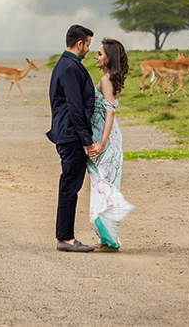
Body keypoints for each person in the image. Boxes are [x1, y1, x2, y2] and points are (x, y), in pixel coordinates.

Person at [47, 24, 98, 252]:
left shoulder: (67, 64)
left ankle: (64, 236)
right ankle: (66, 238)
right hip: (71, 135)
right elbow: (75, 107)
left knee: (69, 183)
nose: (88, 49)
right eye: (88, 45)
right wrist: (87, 140)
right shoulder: (70, 67)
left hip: (68, 133)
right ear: (80, 44)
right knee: (70, 184)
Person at [87, 38, 134, 250]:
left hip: (106, 139)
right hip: (108, 138)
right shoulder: (110, 79)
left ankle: (110, 240)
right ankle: (107, 239)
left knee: (102, 187)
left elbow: (109, 114)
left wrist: (102, 143)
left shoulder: (107, 80)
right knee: (104, 187)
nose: (96, 57)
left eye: (99, 53)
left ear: (108, 58)